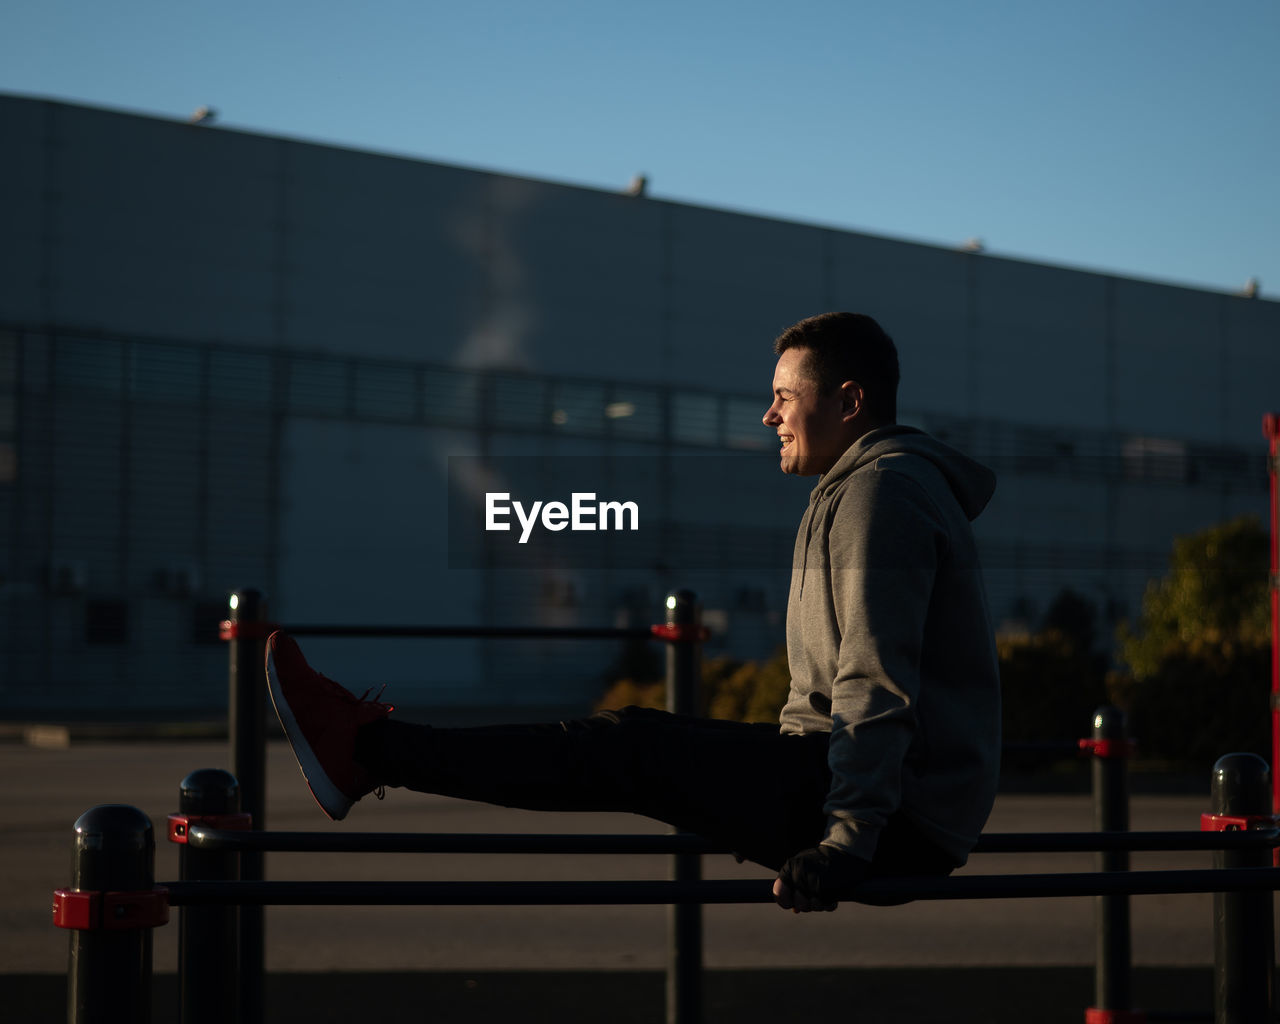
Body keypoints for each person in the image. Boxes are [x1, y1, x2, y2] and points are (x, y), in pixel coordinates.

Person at [266, 311, 1002, 912]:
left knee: (627, 748)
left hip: (892, 815)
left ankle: (363, 751)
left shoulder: (883, 495)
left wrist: (846, 841)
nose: (769, 413)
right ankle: (364, 752)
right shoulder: (856, 490)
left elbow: (876, 680)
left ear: (848, 401)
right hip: (869, 793)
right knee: (631, 749)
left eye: (785, 395)